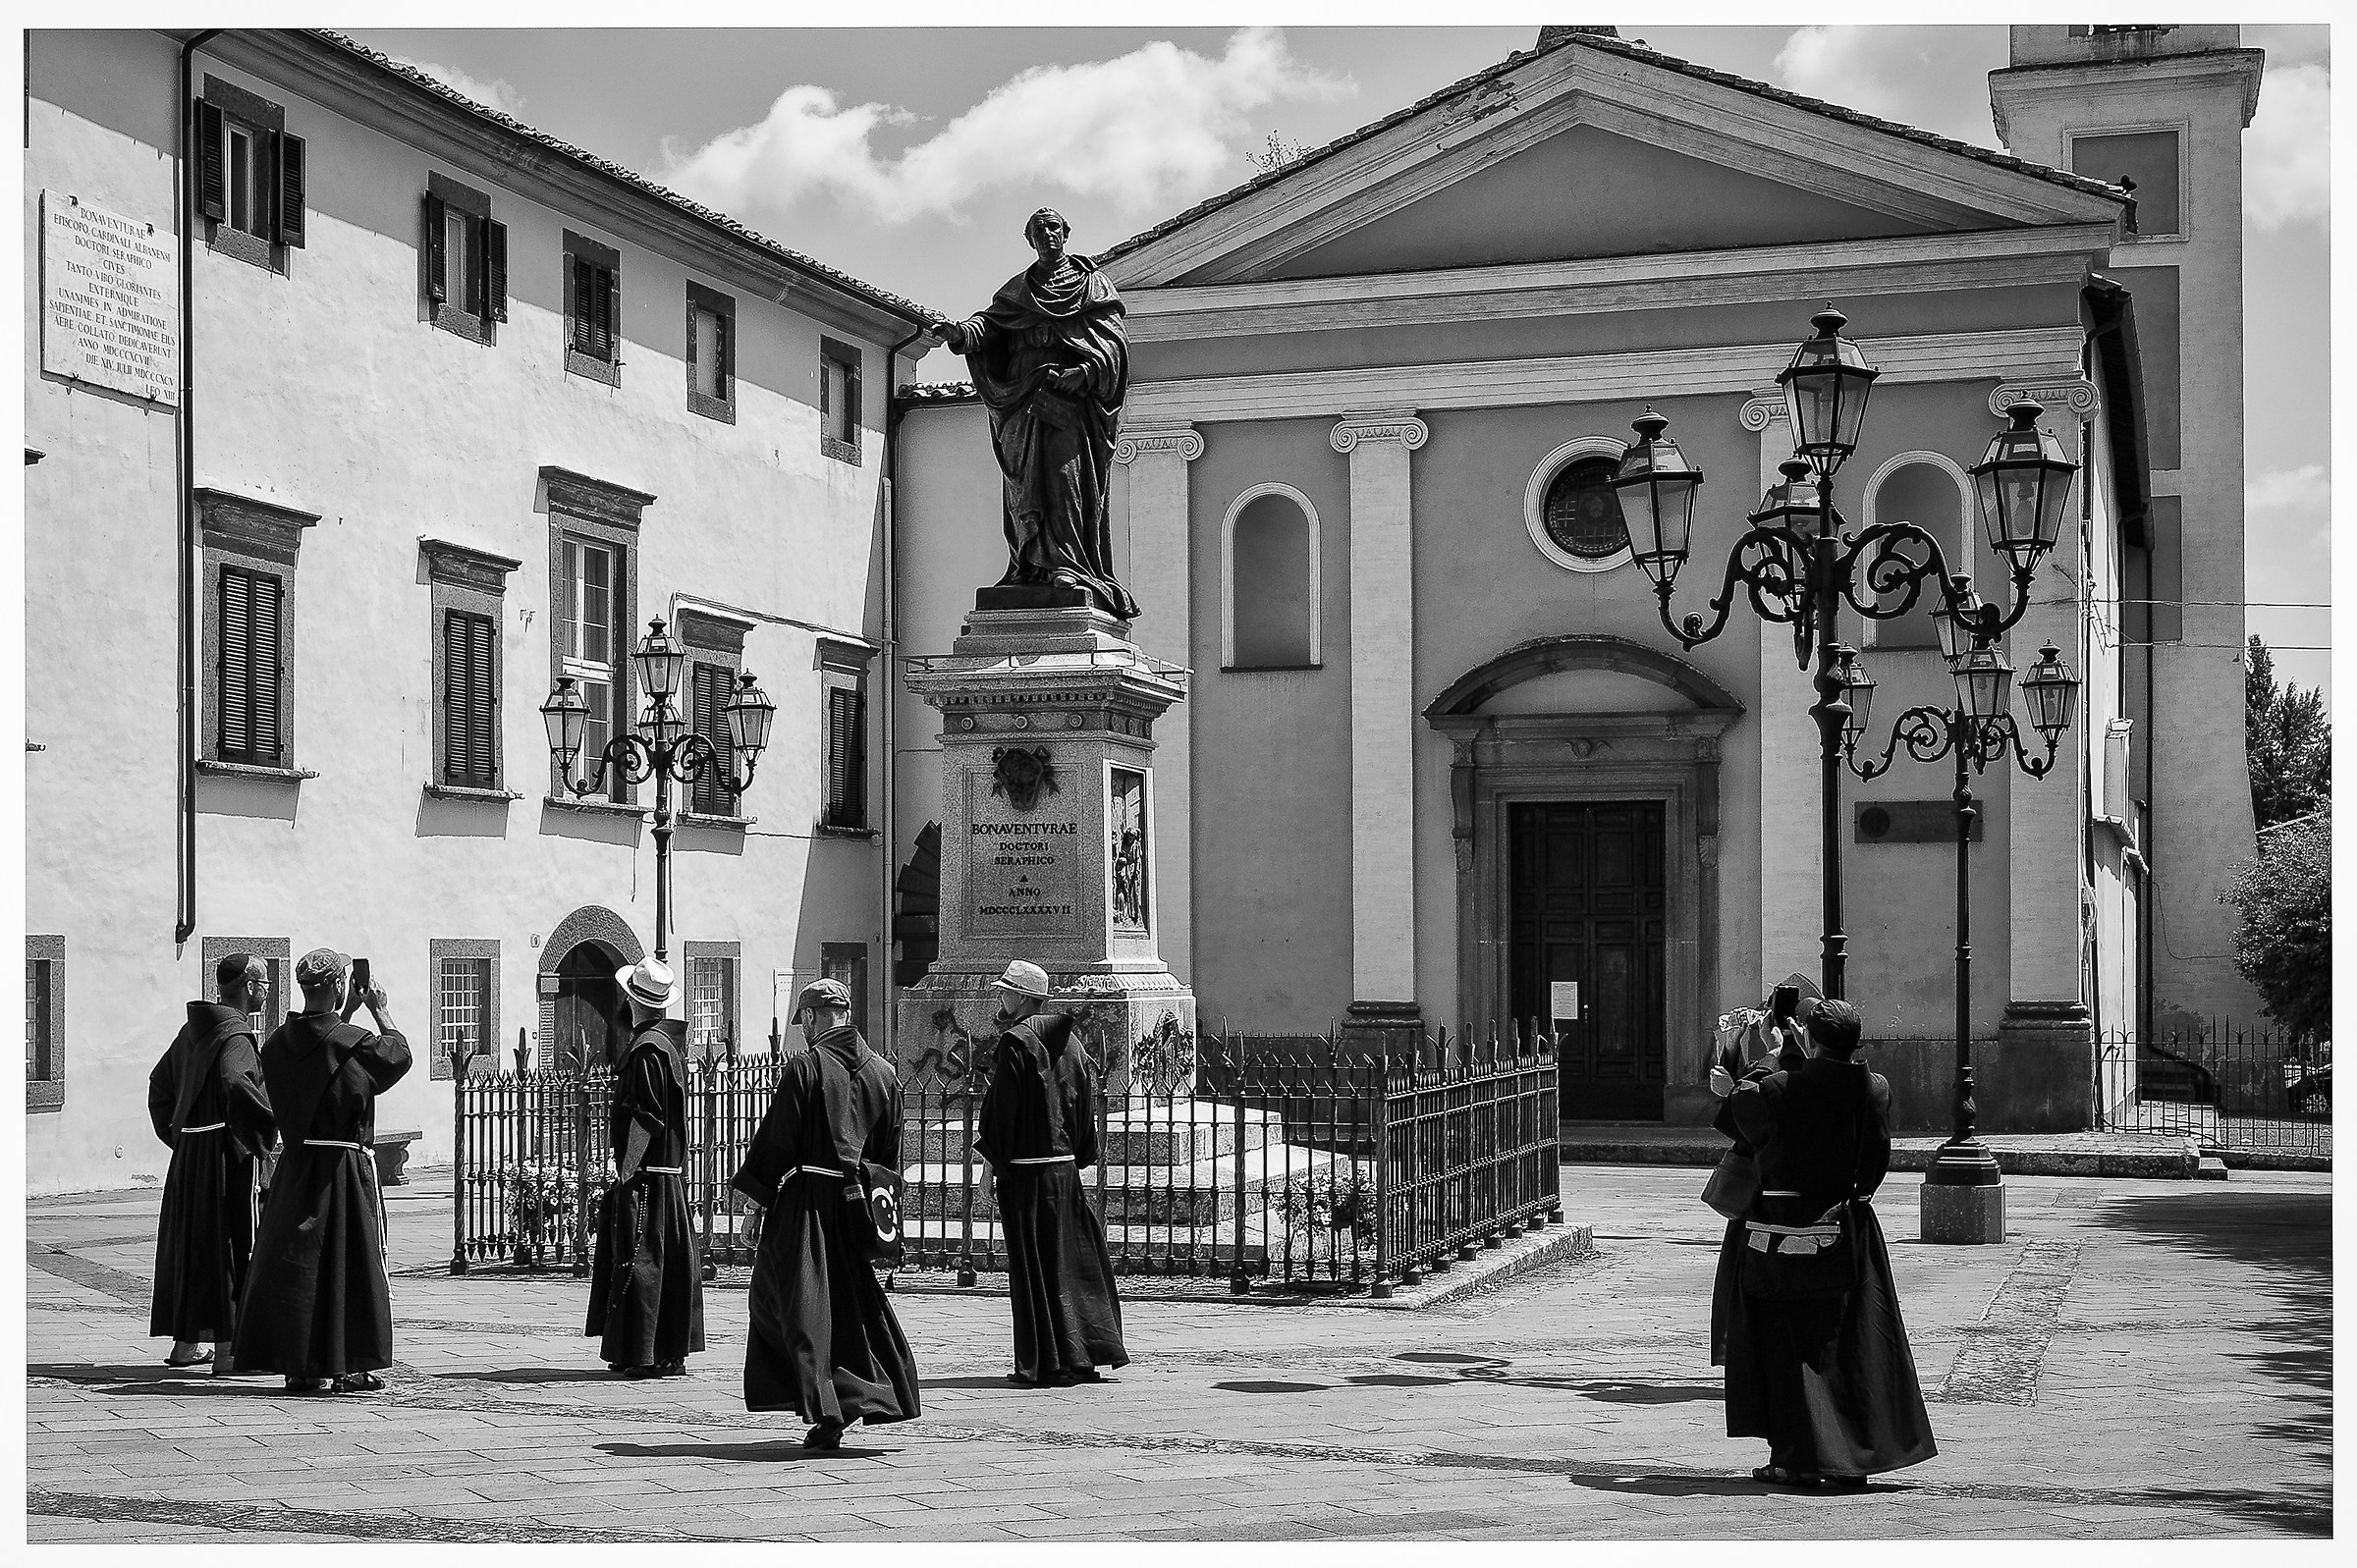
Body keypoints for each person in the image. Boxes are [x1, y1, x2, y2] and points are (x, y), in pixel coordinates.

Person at [1721, 999, 1938, 1487]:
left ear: (1809, 1037)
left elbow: (1743, 1115)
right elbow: (1876, 1158)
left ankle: (1794, 1458)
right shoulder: (1874, 1087)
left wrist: (1771, 1058)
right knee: (1849, 1345)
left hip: (1781, 1225)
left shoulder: (1779, 1086)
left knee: (1787, 1346)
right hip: (1848, 1222)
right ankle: (1850, 1458)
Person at [731, 979, 920, 1449]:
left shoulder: (806, 1067)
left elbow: (778, 1141)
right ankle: (860, 1392)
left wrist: (755, 1204)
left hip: (807, 1205)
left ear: (813, 1017)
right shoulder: (885, 1075)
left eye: (805, 1021)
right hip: (856, 1207)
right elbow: (889, 1156)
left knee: (786, 1302)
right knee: (850, 1308)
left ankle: (825, 1403)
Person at [934, 208, 1138, 621]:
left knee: (1064, 479)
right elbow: (988, 328)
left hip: (1067, 402)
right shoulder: (1017, 291)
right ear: (1029, 240)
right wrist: (960, 334)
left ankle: (1070, 564)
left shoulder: (1093, 286)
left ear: (1066, 232)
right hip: (1023, 399)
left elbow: (1116, 346)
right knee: (1024, 484)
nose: (1046, 233)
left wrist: (1085, 372)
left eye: (1052, 227)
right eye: (1037, 229)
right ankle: (1028, 565)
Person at [231, 948, 411, 1395]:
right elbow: (397, 1056)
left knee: (301, 1266)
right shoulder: (353, 1042)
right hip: (341, 1169)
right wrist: (381, 1011)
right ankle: (349, 1364)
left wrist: (345, 1015)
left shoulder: (276, 1042)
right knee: (348, 1265)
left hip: (296, 1167)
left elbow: (321, 1053)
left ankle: (300, 1365)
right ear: (339, 985)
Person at [975, 959, 1126, 1387]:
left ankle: (1047, 1361)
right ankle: (1081, 1356)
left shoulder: (1016, 1043)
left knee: (1034, 1269)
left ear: (1024, 998)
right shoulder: (1074, 1045)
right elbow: (1084, 1106)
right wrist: (1077, 1154)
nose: (1000, 996)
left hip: (1026, 1176)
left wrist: (989, 1168)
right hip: (1064, 1173)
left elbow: (1003, 1114)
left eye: (1006, 990)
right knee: (1069, 1267)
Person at [148, 952, 279, 1371]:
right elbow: (236, 1081)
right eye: (264, 984)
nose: (267, 991)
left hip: (191, 1158)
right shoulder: (236, 1036)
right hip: (227, 1158)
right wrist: (262, 1133)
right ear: (249, 987)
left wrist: (180, 1136)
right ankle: (228, 1351)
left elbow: (159, 1085)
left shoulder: (192, 1030)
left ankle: (186, 1345)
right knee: (232, 1245)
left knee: (194, 1247)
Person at [587, 957, 704, 1378]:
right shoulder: (666, 1045)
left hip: (649, 1177)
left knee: (643, 1262)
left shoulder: (647, 1050)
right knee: (665, 1263)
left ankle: (644, 1353)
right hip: (666, 1177)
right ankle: (663, 1351)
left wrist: (627, 1169)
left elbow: (645, 1116)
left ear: (632, 1000)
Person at [1705, 980, 1813, 1369]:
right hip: (1781, 1193)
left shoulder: (1793, 1068)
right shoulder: (1794, 1061)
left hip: (1770, 1199)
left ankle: (1757, 1359)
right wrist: (1732, 1045)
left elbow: (1753, 1118)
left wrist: (1765, 1057)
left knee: (1755, 1284)